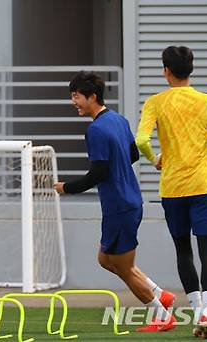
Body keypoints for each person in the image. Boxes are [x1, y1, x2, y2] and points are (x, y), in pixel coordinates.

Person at [54, 71, 176, 333]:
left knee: (122, 266)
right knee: (105, 259)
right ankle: (159, 293)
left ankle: (162, 314)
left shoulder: (96, 129)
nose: (73, 102)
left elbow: (98, 173)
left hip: (120, 206)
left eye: (76, 97)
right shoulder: (119, 120)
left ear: (92, 97)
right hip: (127, 201)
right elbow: (132, 154)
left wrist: (66, 187)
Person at [136, 46, 207, 339]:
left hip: (173, 188)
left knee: (183, 250)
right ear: (191, 69)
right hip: (204, 187)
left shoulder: (155, 102)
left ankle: (196, 313)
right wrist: (203, 146)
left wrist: (155, 158)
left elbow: (142, 139)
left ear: (166, 70)